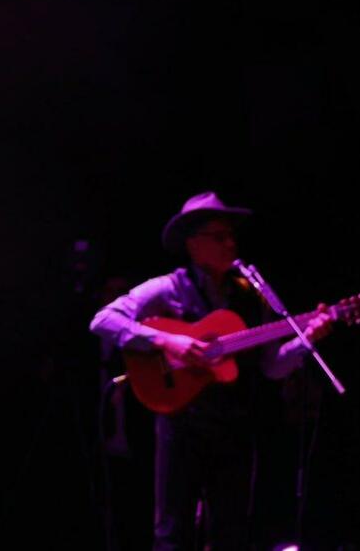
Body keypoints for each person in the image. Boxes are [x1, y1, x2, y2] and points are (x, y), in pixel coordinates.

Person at [89, 191, 334, 550]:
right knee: (172, 534)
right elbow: (103, 320)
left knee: (231, 534)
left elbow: (271, 367)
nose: (230, 242)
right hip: (181, 425)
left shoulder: (250, 296)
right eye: (218, 236)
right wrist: (167, 342)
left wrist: (306, 341)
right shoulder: (168, 288)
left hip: (234, 427)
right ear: (193, 243)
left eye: (231, 235)